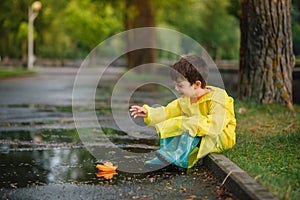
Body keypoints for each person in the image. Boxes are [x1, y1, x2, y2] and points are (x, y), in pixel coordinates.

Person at [129, 55, 236, 169]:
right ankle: (169, 157)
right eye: (175, 85)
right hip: (198, 133)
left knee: (185, 125)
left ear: (197, 84)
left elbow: (215, 125)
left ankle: (177, 159)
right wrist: (149, 112)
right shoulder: (186, 100)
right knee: (176, 124)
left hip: (219, 136)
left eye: (180, 85)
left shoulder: (218, 98)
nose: (176, 89)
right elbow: (168, 112)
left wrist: (188, 124)